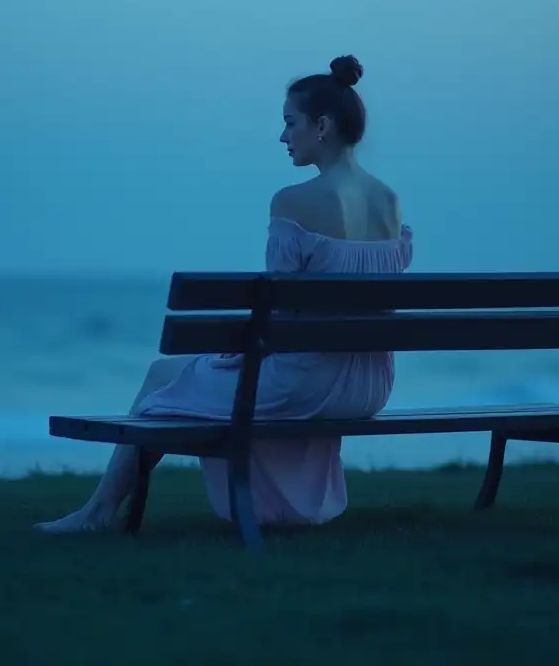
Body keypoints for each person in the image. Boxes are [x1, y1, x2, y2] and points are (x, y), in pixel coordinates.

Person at [34, 55, 413, 533]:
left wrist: (235, 351)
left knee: (160, 376)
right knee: (197, 372)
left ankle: (97, 513)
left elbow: (278, 316)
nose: (282, 137)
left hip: (307, 386)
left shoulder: (292, 202)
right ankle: (109, 511)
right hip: (369, 387)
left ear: (321, 126)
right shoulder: (390, 202)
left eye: (289, 123)